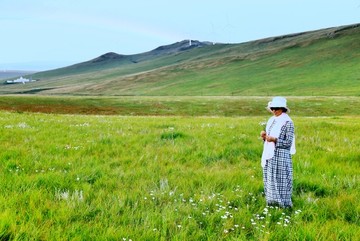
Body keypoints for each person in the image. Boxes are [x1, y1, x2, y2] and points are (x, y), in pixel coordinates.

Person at [260, 97, 296, 208]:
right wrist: (264, 137)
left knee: (281, 179)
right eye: (272, 108)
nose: (274, 111)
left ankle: (283, 204)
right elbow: (268, 138)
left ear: (282, 109)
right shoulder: (272, 120)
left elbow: (288, 143)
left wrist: (275, 140)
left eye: (276, 108)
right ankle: (272, 202)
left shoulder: (288, 122)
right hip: (270, 155)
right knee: (270, 177)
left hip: (281, 155)